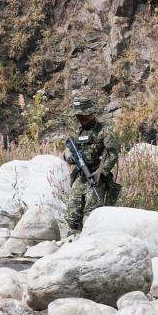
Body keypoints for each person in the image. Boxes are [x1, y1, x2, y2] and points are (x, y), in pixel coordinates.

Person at [63, 96, 121, 232]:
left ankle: (88, 240)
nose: (79, 118)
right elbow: (67, 148)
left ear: (90, 113)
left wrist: (102, 171)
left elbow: (113, 154)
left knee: (92, 215)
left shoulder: (104, 130)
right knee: (72, 216)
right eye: (78, 115)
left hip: (96, 177)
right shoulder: (77, 132)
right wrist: (68, 156)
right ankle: (73, 240)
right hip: (80, 177)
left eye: (82, 115)